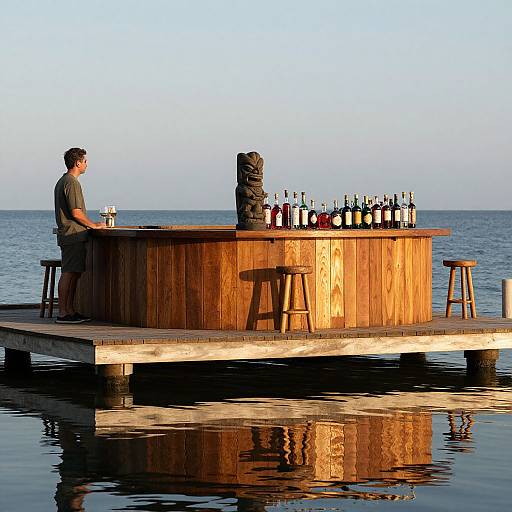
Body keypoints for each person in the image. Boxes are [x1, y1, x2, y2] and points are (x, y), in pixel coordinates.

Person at [54, 148, 103, 324]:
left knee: (74, 273)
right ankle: (63, 313)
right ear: (77, 163)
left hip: (71, 235)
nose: (86, 164)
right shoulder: (72, 182)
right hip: (73, 234)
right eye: (85, 161)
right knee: (69, 273)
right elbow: (76, 213)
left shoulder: (63, 181)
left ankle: (70, 310)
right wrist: (94, 225)